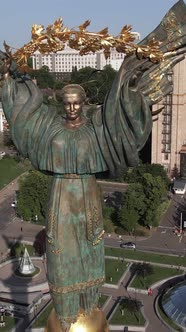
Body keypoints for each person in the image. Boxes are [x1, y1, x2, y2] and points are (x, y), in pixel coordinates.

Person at [0, 1, 186, 331]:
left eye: (77, 103)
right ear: (61, 103)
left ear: (84, 103)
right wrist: (8, 81)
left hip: (86, 197)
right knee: (60, 252)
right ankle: (67, 308)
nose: (71, 109)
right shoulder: (49, 130)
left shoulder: (94, 131)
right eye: (66, 103)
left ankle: (88, 303)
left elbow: (117, 118)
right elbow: (25, 117)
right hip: (61, 198)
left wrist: (131, 70)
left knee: (88, 247)